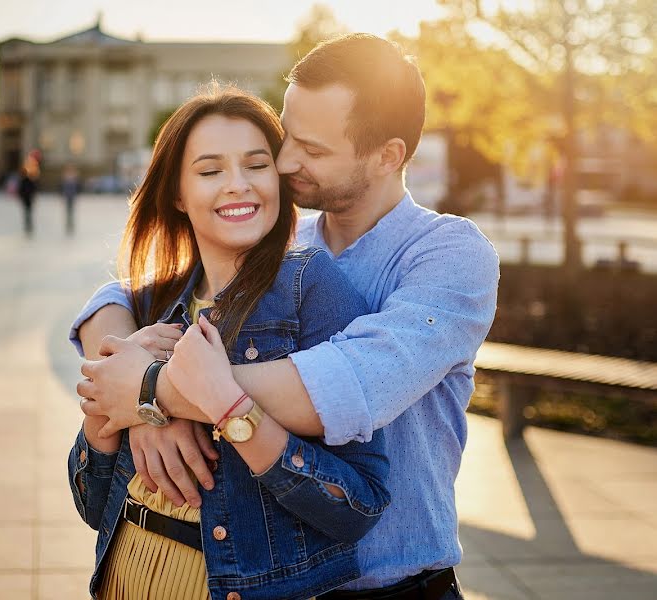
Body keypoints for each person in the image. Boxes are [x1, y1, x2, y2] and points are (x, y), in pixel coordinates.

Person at [74, 34, 499, 599]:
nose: (285, 161)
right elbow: (123, 296)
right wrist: (144, 390)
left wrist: (157, 391)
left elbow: (348, 383)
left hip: (394, 586)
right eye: (286, 134)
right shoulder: (282, 239)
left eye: (313, 150)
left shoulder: (447, 255)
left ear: (387, 156)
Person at [68, 86, 391, 600]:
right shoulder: (152, 304)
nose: (237, 186)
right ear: (177, 193)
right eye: (210, 170)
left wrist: (226, 407)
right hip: (124, 579)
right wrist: (117, 408)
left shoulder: (313, 290)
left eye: (256, 165)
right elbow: (93, 503)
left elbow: (359, 506)